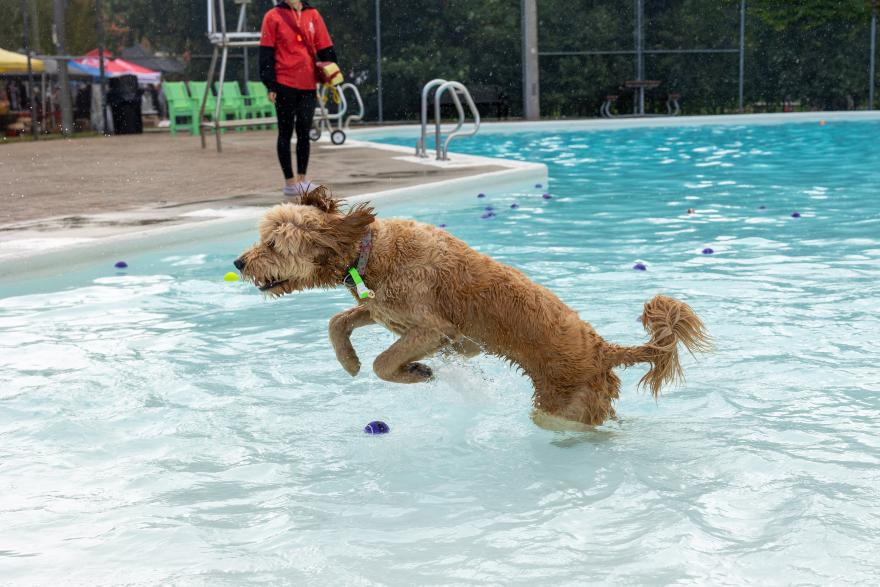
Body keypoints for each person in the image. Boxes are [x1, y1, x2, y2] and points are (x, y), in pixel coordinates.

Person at [259, 0, 338, 197]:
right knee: (285, 132)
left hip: (308, 83)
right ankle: (289, 182)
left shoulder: (313, 14)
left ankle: (302, 180)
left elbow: (325, 47)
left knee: (304, 131)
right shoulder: (273, 16)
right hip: (284, 83)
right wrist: (270, 84)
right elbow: (266, 53)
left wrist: (332, 72)